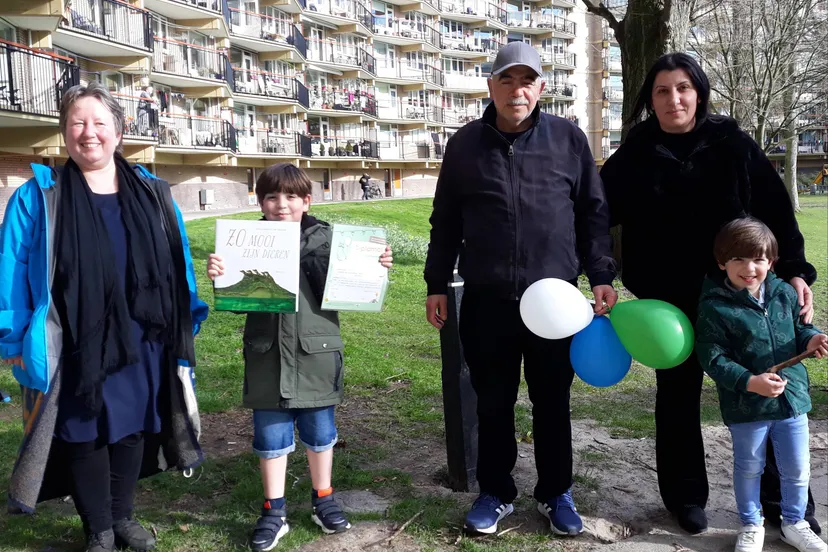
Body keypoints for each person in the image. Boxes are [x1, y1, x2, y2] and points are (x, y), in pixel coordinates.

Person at [600, 52, 820, 535]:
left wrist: (798, 270)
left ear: (698, 92)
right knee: (676, 398)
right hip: (669, 302)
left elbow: (776, 214)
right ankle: (686, 499)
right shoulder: (636, 154)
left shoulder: (732, 145)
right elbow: (595, 213)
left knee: (767, 395)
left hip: (740, 295)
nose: (673, 98)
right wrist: (600, 271)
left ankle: (786, 507)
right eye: (662, 90)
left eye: (683, 88)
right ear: (649, 100)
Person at [0, 82, 208, 552]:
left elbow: (179, 263)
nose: (88, 133)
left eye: (99, 123)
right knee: (83, 430)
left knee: (133, 425)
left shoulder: (153, 192)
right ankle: (98, 529)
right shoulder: (38, 198)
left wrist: (186, 318)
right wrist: (12, 342)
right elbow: (10, 272)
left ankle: (123, 516)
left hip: (143, 335)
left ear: (119, 130)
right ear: (63, 133)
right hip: (72, 337)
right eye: (77, 123)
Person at [424, 42, 617, 537]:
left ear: (541, 88)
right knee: (493, 401)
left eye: (527, 80)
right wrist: (436, 282)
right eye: (507, 80)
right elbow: (444, 220)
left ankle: (557, 493)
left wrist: (600, 275)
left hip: (555, 301)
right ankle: (496, 491)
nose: (517, 89)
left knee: (553, 401)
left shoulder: (569, 140)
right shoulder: (465, 145)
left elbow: (593, 216)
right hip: (488, 299)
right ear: (491, 86)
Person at [206, 163, 393, 551]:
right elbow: (241, 302)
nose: (281, 205)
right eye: (271, 197)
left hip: (316, 356)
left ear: (307, 201)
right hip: (267, 357)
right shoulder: (245, 241)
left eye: (291, 196)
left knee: (320, 435)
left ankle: (323, 498)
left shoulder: (329, 240)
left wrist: (376, 268)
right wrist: (221, 275)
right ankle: (273, 511)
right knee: (270, 438)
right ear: (260, 201)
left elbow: (354, 291)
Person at [696, 218, 827, 552]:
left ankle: (794, 523)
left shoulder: (784, 292)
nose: (749, 268)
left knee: (797, 468)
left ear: (771, 261)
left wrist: (812, 340)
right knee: (750, 468)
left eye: (758, 259)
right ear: (722, 261)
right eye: (738, 259)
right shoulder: (714, 306)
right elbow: (712, 357)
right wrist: (749, 382)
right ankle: (751, 523)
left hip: (792, 401)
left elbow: (800, 331)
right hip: (747, 406)